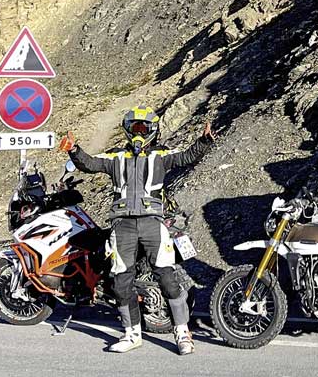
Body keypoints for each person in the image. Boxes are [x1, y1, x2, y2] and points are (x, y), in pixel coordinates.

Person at [60, 107, 214, 355]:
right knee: (121, 281)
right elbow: (89, 164)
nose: (139, 133)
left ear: (152, 131)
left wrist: (205, 141)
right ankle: (132, 334)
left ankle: (183, 333)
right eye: (135, 128)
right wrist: (74, 150)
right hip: (123, 225)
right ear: (127, 130)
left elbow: (187, 156)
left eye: (143, 128)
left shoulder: (161, 155)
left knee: (166, 276)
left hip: (154, 223)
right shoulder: (115, 157)